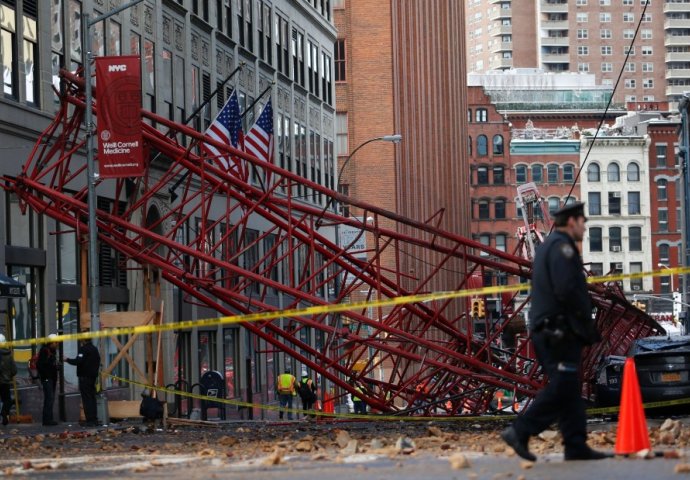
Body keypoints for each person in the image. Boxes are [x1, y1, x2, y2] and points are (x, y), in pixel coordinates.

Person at [501, 202, 612, 462]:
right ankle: (520, 430)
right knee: (563, 386)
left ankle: (575, 445)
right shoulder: (562, 248)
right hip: (558, 331)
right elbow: (567, 290)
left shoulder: (549, 247)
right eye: (582, 222)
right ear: (572, 222)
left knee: (570, 388)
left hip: (553, 330)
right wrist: (582, 322)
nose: (584, 228)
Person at [65, 338, 101, 427]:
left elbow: (78, 361)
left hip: (84, 377)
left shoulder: (84, 349)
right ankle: (94, 419)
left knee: (87, 399)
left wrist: (67, 359)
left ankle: (90, 420)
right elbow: (98, 361)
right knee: (92, 398)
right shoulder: (94, 349)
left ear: (83, 340)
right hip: (92, 377)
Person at [37, 334, 60, 426]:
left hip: (52, 378)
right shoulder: (44, 351)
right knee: (49, 399)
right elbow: (40, 365)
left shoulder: (52, 351)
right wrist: (47, 373)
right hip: (48, 379)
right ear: (51, 343)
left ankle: (49, 419)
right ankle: (47, 420)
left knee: (50, 399)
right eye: (55, 342)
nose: (57, 344)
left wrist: (55, 367)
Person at [0, 333, 17, 426]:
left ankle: (4, 415)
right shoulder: (9, 355)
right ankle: (4, 414)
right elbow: (14, 370)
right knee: (7, 400)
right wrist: (9, 375)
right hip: (4, 382)